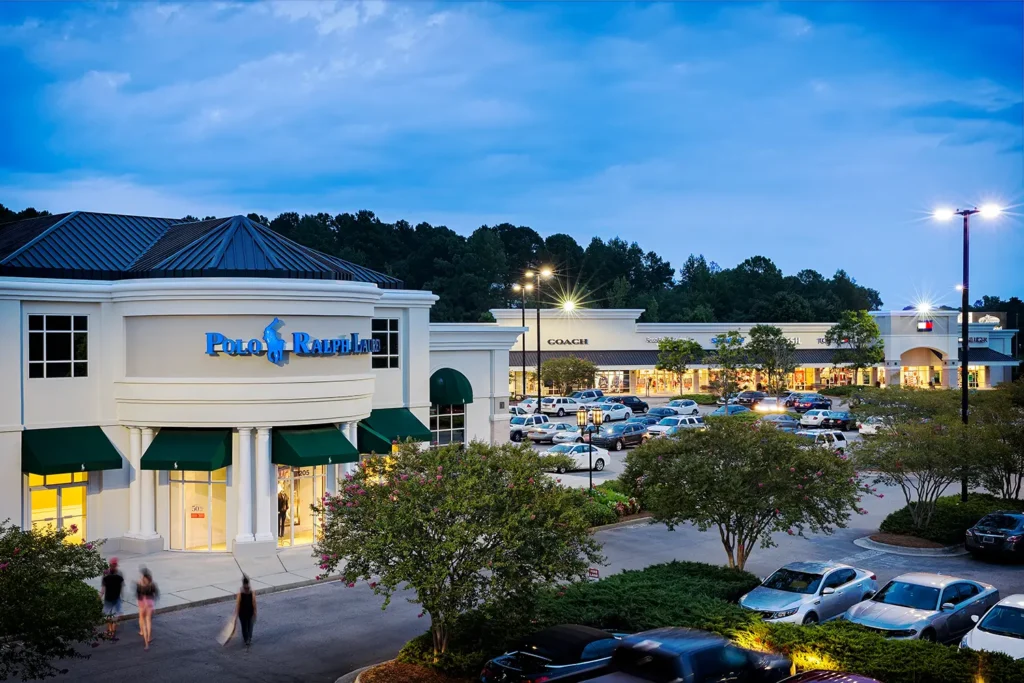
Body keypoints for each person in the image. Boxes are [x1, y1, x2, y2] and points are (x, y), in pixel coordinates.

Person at [100, 558, 125, 640]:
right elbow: (121, 586)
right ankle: (111, 632)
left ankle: (111, 632)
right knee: (114, 617)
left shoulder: (105, 574)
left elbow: (103, 587)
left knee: (109, 616)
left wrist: (100, 595)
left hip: (109, 598)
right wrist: (122, 596)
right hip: (115, 598)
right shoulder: (119, 575)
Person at [136, 568, 158, 650]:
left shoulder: (139, 583)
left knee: (142, 621)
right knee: (148, 621)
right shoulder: (152, 584)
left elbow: (138, 594)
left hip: (142, 603)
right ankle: (149, 637)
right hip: (150, 603)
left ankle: (146, 644)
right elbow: (156, 594)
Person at [234, 577, 257, 651]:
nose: (246, 587)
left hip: (247, 612)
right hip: (244, 612)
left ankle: (248, 638)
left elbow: (254, 602)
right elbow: (238, 603)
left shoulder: (250, 591)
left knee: (249, 626)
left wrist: (255, 612)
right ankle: (247, 639)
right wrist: (236, 613)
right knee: (245, 627)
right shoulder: (243, 592)